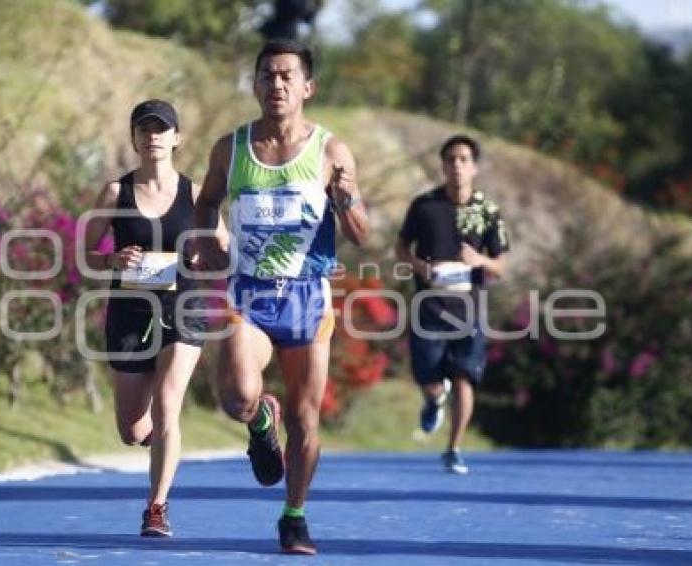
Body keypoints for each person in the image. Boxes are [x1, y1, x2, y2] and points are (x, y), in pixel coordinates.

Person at [192, 39, 369, 555]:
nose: (277, 84)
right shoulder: (232, 147)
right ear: (255, 84)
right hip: (250, 294)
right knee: (238, 398)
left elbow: (360, 232)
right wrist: (208, 240)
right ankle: (258, 420)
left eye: (288, 76)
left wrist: (346, 197)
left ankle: (294, 517)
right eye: (267, 75)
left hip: (308, 300)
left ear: (307, 88)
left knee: (307, 419)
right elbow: (205, 204)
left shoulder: (331, 151)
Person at [84, 99, 227, 537]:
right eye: (144, 129)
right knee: (132, 429)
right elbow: (85, 254)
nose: (153, 136)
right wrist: (113, 260)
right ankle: (162, 446)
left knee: (168, 407)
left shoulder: (195, 193)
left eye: (161, 129)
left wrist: (208, 256)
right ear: (134, 138)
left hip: (182, 309)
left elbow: (224, 247)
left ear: (176, 138)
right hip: (129, 313)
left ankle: (156, 508)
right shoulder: (115, 193)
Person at [395, 135, 509, 475]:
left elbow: (500, 267)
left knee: (465, 378)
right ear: (443, 165)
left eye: (463, 159)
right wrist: (420, 268)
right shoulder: (424, 206)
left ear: (474, 166)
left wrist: (479, 260)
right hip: (429, 308)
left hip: (469, 311)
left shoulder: (487, 211)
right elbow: (401, 248)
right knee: (429, 377)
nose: (456, 165)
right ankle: (433, 399)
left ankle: (453, 448)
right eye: (450, 159)